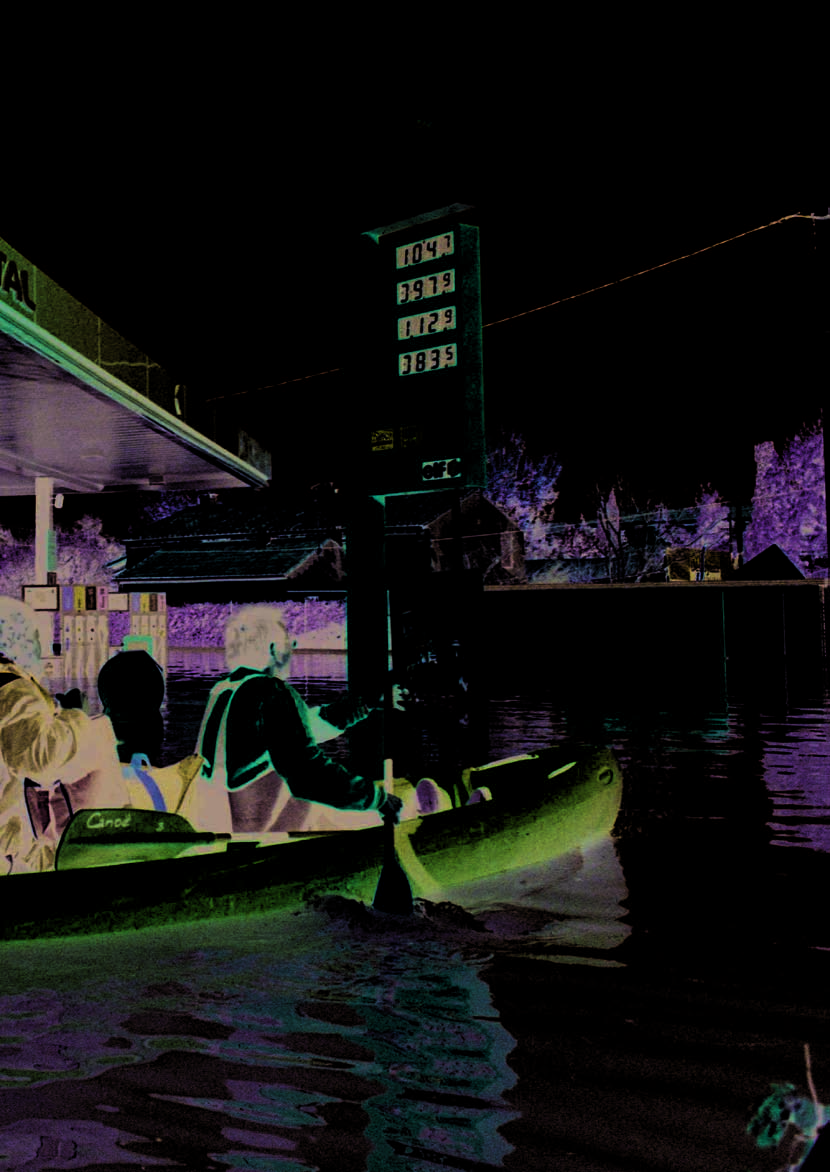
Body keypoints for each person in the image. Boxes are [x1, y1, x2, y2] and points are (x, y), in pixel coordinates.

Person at [195, 605, 404, 834]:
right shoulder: (273, 691)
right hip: (263, 836)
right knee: (387, 801)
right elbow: (308, 775)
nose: (293, 648)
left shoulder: (224, 690)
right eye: (289, 642)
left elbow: (297, 731)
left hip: (222, 828)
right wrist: (377, 798)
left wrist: (367, 704)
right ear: (274, 649)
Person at [0, 596, 127, 874]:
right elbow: (39, 760)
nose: (42, 650)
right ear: (20, 639)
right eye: (36, 638)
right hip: (12, 848)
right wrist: (74, 713)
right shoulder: (12, 689)